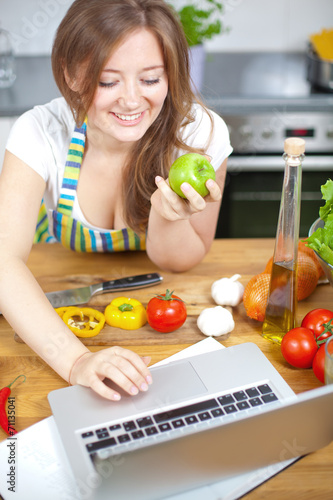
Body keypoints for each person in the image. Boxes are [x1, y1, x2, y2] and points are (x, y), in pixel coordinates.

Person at [0, 0, 232, 401]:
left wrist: (168, 216)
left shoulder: (200, 135)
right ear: (73, 74)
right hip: (59, 285)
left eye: (150, 79)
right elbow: (3, 260)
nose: (131, 100)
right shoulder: (40, 132)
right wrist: (75, 362)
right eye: (108, 82)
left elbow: (178, 263)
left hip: (156, 298)